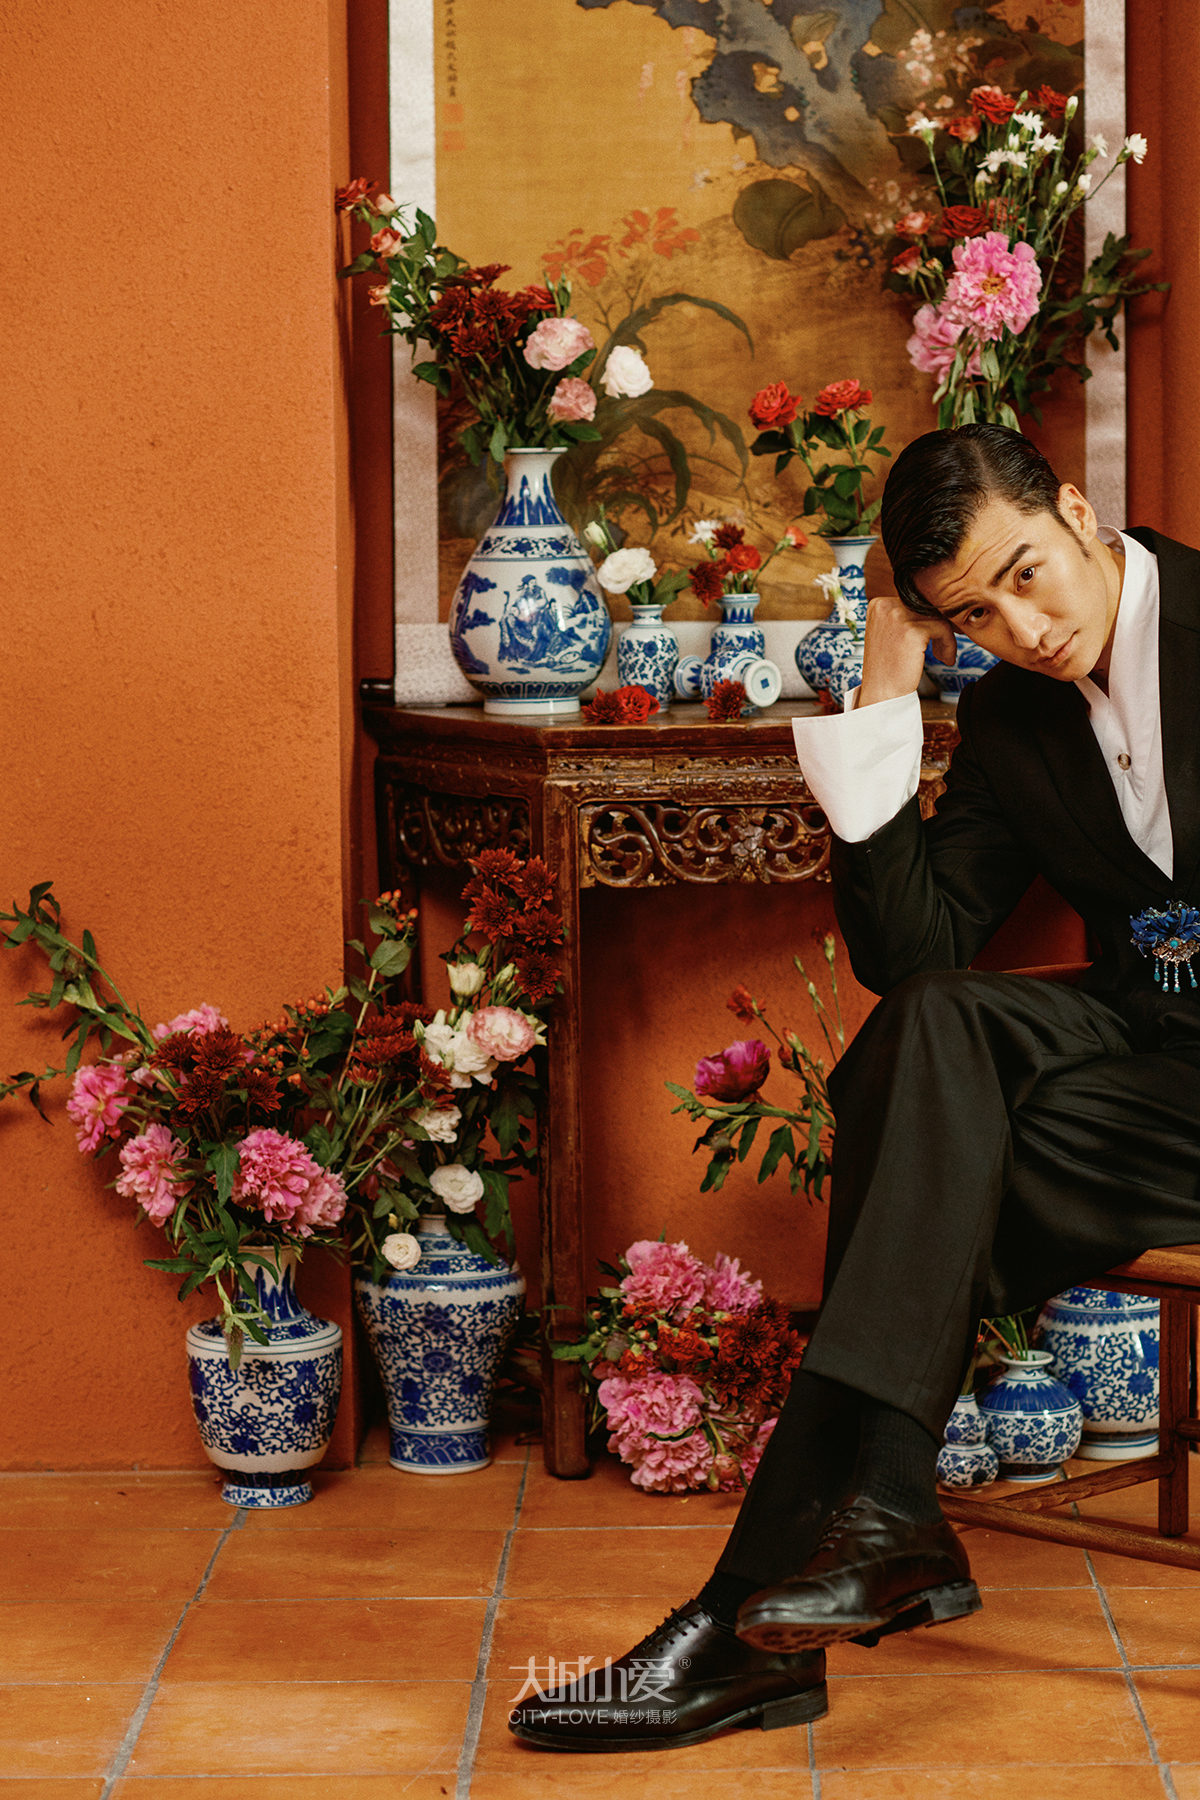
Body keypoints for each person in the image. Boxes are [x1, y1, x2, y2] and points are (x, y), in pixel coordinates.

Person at [509, 423, 1200, 1753]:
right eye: (974, 615)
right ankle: (876, 1518)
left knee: (929, 1142)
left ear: (1076, 509)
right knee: (935, 1035)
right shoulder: (1012, 713)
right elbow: (916, 956)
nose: (1024, 629)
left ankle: (761, 1607)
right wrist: (885, 697)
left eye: (1027, 574)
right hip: (1149, 1075)